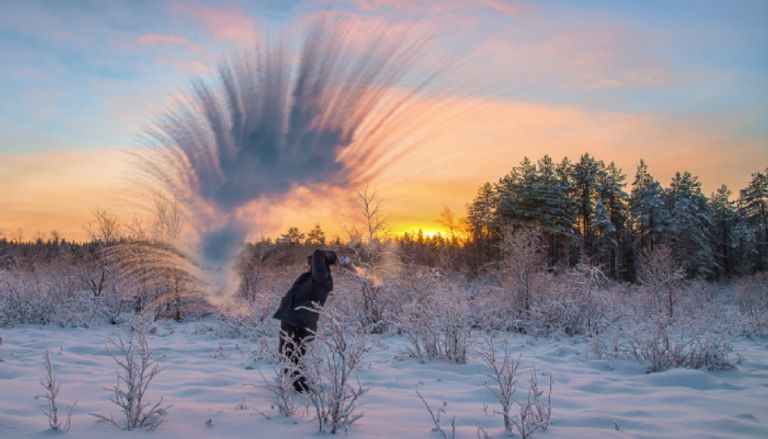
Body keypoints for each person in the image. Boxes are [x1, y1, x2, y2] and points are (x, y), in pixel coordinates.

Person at [272, 249, 351, 391]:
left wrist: (333, 258)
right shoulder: (311, 279)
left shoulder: (321, 279)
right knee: (289, 358)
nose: (307, 266)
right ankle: (303, 388)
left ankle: (304, 390)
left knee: (290, 359)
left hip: (298, 325)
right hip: (292, 322)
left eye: (310, 264)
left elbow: (318, 253)